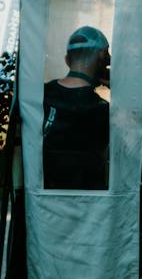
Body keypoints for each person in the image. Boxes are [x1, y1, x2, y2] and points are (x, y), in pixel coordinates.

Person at [43, 26, 110, 189]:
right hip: (86, 204)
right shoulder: (100, 109)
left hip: (44, 202)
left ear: (67, 60)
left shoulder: (42, 95)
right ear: (103, 56)